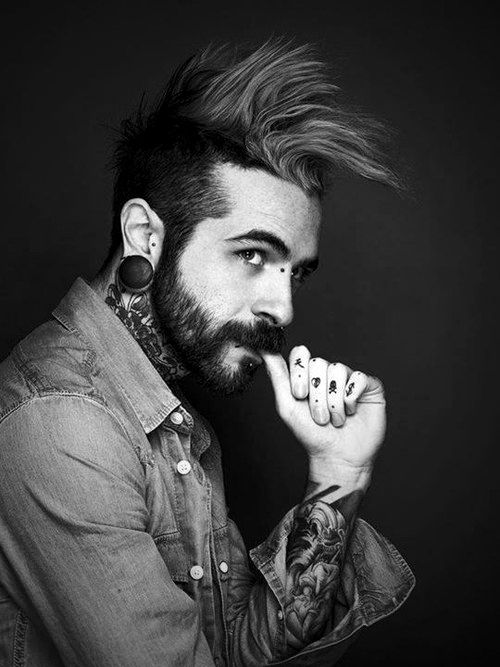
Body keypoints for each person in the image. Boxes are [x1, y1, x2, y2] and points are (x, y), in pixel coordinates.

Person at [0, 39, 415, 666]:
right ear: (145, 234)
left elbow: (236, 649)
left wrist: (338, 472)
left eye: (295, 273)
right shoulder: (62, 424)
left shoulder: (164, 412)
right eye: (252, 255)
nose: (283, 309)